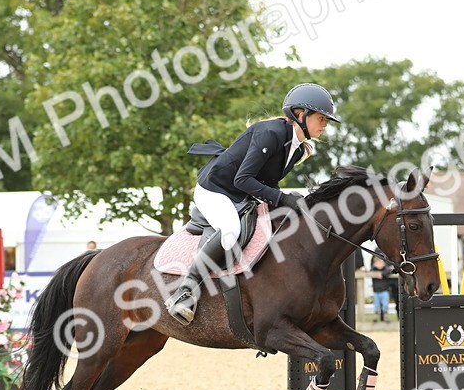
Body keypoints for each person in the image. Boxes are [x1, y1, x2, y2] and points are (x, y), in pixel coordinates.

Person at [164, 83, 338, 324]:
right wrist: (281, 198)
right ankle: (185, 291)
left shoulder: (298, 149)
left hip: (241, 194)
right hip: (215, 190)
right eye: (321, 118)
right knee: (230, 231)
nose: (325, 124)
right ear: (301, 114)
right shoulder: (270, 133)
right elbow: (243, 179)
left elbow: (268, 182)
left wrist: (289, 203)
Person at [368, 254, 395, 322]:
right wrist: (375, 268)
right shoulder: (373, 269)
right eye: (378, 263)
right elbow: (370, 271)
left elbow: (389, 270)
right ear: (374, 263)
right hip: (376, 291)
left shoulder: (385, 269)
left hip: (385, 291)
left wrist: (382, 274)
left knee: (385, 305)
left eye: (381, 263)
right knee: (376, 305)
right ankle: (375, 317)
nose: (380, 264)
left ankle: (386, 317)